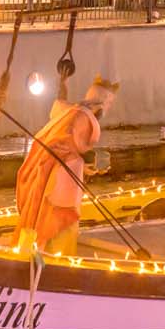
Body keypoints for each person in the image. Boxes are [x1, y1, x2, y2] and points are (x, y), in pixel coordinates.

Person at [14, 76, 115, 255]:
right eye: (109, 104)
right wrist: (83, 163)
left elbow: (64, 146)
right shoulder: (84, 117)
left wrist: (83, 167)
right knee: (60, 226)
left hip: (49, 176)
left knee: (44, 223)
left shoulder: (70, 112)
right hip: (60, 185)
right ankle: (55, 263)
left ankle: (43, 254)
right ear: (104, 101)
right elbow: (69, 150)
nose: (109, 108)